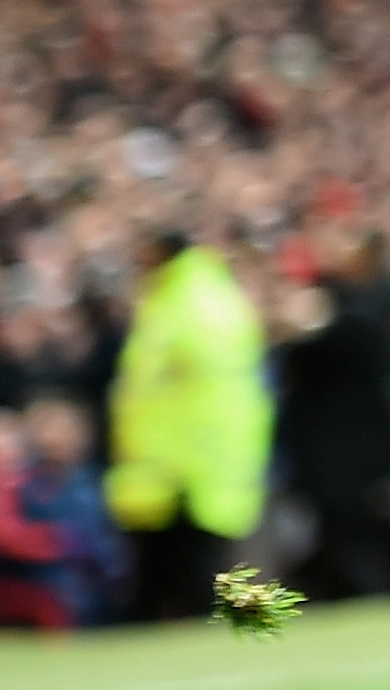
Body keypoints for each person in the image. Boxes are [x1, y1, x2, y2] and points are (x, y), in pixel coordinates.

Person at [106, 230, 271, 620]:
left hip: (184, 460)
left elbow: (180, 376)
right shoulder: (195, 297)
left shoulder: (189, 304)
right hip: (187, 458)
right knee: (173, 568)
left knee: (191, 570)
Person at [275, 233, 390, 604]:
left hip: (355, 448)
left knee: (362, 531)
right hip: (349, 446)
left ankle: (373, 594)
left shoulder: (373, 310)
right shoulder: (356, 304)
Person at [0, 399, 124, 629]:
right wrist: (58, 541)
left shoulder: (91, 478)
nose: (57, 438)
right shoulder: (16, 481)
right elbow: (5, 534)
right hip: (34, 577)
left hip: (89, 577)